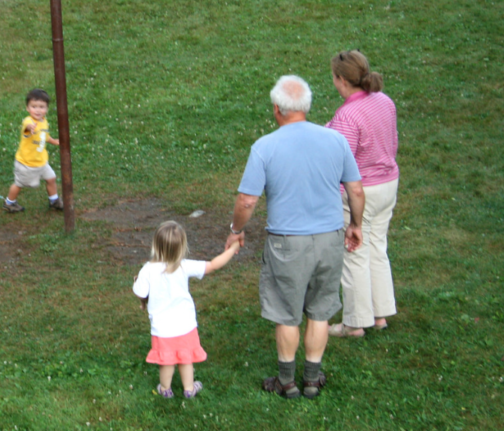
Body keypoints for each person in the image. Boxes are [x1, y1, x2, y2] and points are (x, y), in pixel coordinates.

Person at [225, 75, 365, 399]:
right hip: (330, 239)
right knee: (319, 310)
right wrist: (355, 225)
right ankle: (313, 380)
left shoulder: (265, 147)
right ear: (307, 106)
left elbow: (247, 201)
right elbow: (355, 190)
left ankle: (287, 382)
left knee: (287, 312)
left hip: (287, 243)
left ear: (277, 109)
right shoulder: (335, 140)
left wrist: (235, 231)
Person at [325, 51, 399, 337]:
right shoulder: (384, 101)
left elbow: (341, 161)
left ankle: (355, 322)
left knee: (354, 252)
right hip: (387, 184)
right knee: (377, 247)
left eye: (334, 77)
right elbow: (391, 141)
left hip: (360, 192)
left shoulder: (348, 114)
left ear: (342, 79)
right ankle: (380, 315)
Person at [133, 221, 240, 399]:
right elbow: (213, 264)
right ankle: (189, 389)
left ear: (155, 245)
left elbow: (140, 292)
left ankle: (165, 389)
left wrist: (135, 282)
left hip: (162, 329)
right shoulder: (184, 266)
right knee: (186, 358)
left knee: (166, 361)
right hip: (186, 325)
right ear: (182, 246)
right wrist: (233, 247)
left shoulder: (147, 270)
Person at [2, 88, 61, 213]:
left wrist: (54, 141)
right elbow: (27, 130)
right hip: (27, 163)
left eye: (42, 107)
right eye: (34, 107)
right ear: (27, 108)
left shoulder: (44, 121)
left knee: (51, 178)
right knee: (19, 184)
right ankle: (9, 202)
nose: (38, 110)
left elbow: (44, 135)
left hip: (41, 161)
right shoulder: (28, 121)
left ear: (47, 109)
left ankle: (54, 200)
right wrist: (30, 128)